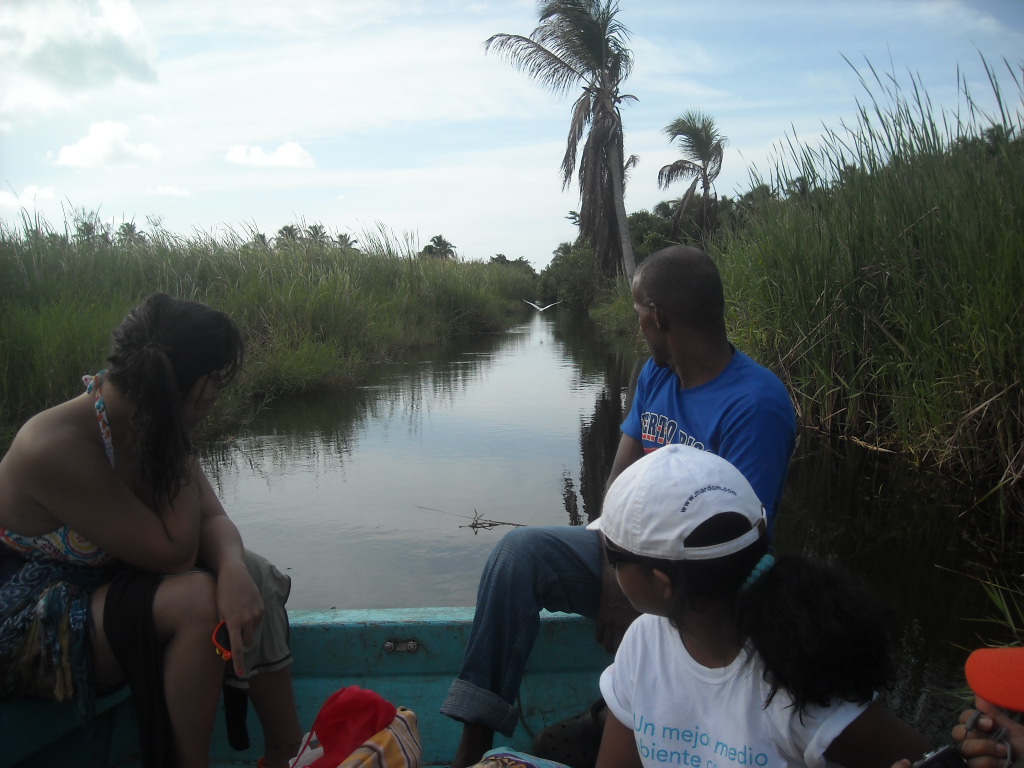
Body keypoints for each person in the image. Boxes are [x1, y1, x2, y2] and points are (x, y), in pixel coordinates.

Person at [441, 245, 798, 767]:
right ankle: (475, 743)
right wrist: (615, 573)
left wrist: (636, 583)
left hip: (710, 585)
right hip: (631, 558)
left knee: (669, 607)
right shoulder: (657, 375)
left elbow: (734, 548)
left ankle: (615, 721)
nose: (638, 326)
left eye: (637, 313)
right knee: (518, 555)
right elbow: (619, 488)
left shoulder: (755, 404)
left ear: (658, 316)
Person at [0, 293, 303, 768]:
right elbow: (174, 554)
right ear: (201, 386)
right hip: (26, 621)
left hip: (104, 588)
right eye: (215, 382)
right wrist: (180, 436)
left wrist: (232, 570)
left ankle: (287, 750)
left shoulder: (146, 417)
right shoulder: (56, 445)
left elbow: (213, 520)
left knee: (252, 572)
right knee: (197, 602)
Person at [591, 443, 931, 768]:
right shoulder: (643, 642)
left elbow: (920, 758)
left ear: (662, 582)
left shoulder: (798, 686)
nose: (611, 567)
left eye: (614, 557)